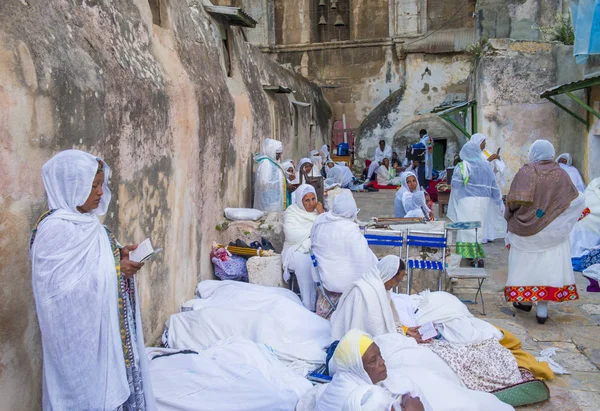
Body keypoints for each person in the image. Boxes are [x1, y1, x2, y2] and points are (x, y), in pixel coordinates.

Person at [29, 150, 156, 410]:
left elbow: (97, 264)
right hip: (75, 344)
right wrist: (116, 271)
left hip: (107, 335)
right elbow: (57, 295)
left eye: (101, 184)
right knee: (83, 396)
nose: (100, 192)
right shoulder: (54, 230)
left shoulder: (92, 225)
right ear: (70, 186)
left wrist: (119, 255)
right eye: (93, 185)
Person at [505, 140, 585, 324]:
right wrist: (556, 219)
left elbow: (514, 202)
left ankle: (524, 301)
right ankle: (542, 310)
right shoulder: (561, 174)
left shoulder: (526, 171)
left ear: (534, 153)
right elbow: (576, 200)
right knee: (547, 267)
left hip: (525, 231)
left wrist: (508, 216)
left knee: (525, 266)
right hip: (552, 234)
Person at [315, 329, 426, 411]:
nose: (382, 361)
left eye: (380, 354)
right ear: (358, 368)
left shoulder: (358, 378)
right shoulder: (355, 399)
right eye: (373, 361)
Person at [311, 192, 378, 316]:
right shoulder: (351, 230)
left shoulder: (320, 221)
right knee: (373, 271)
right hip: (343, 285)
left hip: (323, 280)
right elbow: (364, 261)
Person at [448, 141, 506, 260]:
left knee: (466, 228)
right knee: (478, 228)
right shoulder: (486, 166)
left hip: (467, 201)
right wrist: (499, 202)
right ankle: (476, 254)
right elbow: (494, 186)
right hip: (484, 201)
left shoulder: (463, 166)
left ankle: (469, 254)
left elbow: (455, 184)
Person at [282, 184, 324, 310]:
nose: (311, 204)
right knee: (306, 264)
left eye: (313, 199)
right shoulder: (292, 212)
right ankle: (308, 305)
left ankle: (323, 303)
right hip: (294, 249)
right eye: (307, 200)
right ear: (300, 201)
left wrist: (322, 214)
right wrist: (315, 229)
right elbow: (292, 235)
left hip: (314, 248)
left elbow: (327, 231)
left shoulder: (319, 212)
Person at [254, 138, 287, 212]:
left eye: (280, 154)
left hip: (275, 200)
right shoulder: (266, 163)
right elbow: (263, 183)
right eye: (277, 154)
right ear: (271, 151)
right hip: (268, 202)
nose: (279, 156)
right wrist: (277, 184)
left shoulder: (273, 162)